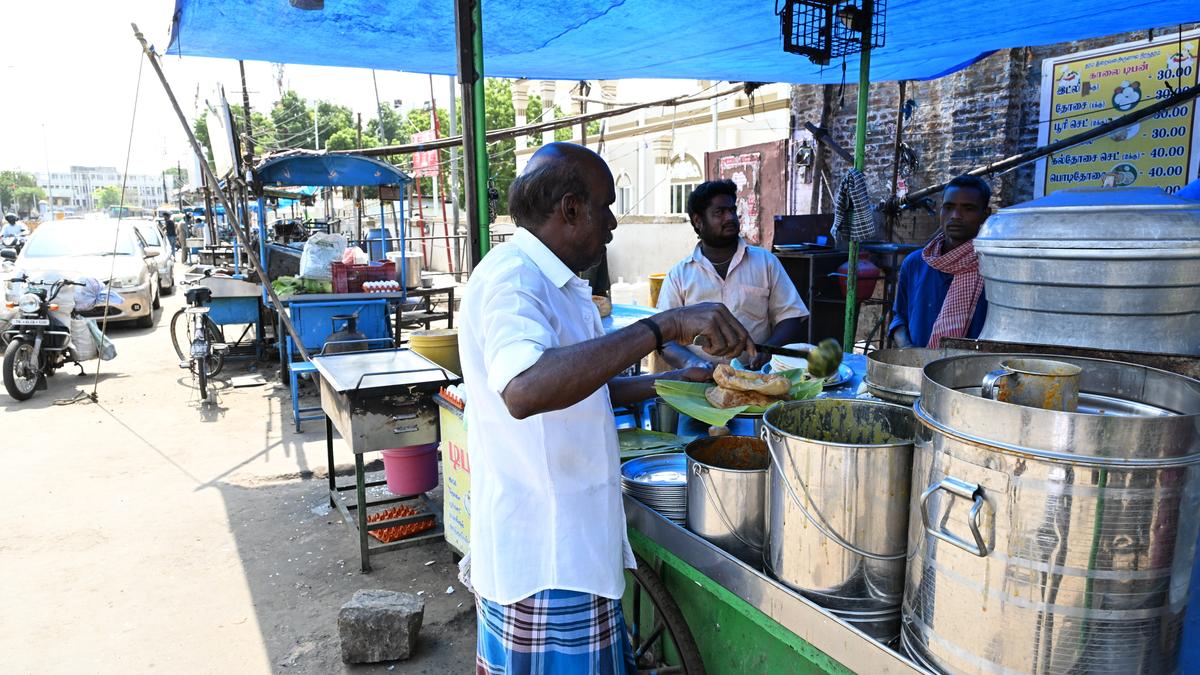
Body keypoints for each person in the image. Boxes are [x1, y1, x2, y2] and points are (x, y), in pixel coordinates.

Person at [459, 142, 753, 674]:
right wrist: (662, 327)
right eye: (606, 205)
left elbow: (579, 386)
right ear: (570, 209)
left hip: (574, 543)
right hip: (546, 556)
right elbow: (525, 388)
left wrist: (669, 382)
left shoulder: (561, 284)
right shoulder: (514, 280)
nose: (614, 222)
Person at [656, 180, 809, 370]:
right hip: (698, 383)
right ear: (698, 221)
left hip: (757, 377)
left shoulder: (765, 262)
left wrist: (768, 350)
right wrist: (692, 364)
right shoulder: (679, 275)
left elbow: (791, 316)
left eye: (732, 210)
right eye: (719, 212)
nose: (730, 217)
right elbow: (663, 337)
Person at [890, 175, 991, 349]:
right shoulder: (915, 263)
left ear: (985, 214)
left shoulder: (993, 268)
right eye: (949, 207)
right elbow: (900, 317)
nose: (956, 216)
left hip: (972, 371)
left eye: (968, 208)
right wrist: (907, 350)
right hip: (917, 369)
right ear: (940, 211)